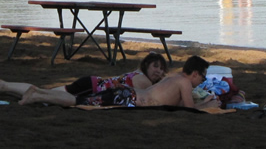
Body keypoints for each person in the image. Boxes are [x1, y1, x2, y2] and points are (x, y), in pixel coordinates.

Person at [18, 56, 220, 110]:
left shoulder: (173, 78)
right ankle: (36, 95)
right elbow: (190, 109)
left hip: (126, 93)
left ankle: (38, 93)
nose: (202, 80)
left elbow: (178, 104)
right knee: (77, 101)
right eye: (203, 77)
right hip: (128, 98)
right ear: (194, 73)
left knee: (78, 99)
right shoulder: (184, 83)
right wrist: (208, 104)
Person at [0, 52, 167, 99]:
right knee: (42, 93)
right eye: (155, 66)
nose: (158, 71)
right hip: (89, 87)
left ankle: (6, 87)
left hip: (90, 83)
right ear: (146, 66)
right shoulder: (144, 80)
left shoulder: (137, 72)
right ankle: (5, 86)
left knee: (43, 93)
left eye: (161, 69)